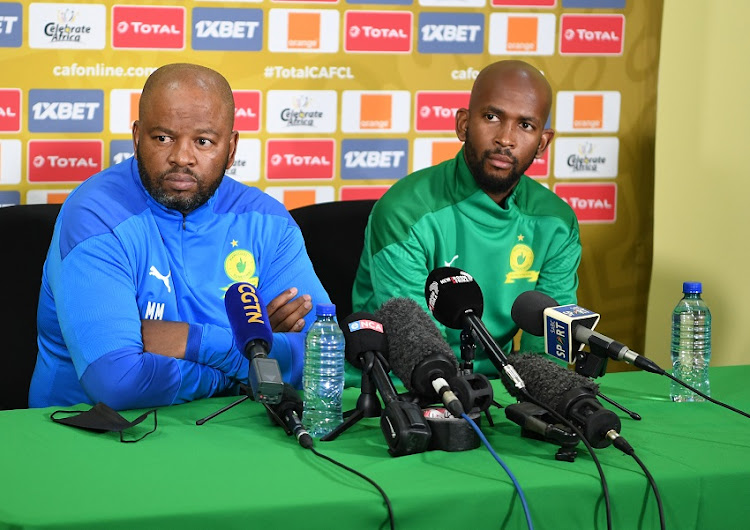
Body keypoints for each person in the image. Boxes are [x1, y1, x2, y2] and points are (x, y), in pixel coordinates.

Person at [29, 63, 330, 410]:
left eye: (203, 141)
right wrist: (248, 358)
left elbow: (321, 357)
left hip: (228, 433)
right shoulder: (95, 216)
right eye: (163, 138)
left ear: (231, 148)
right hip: (90, 434)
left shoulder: (268, 221)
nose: (181, 157)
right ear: (137, 137)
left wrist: (189, 340)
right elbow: (118, 382)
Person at [351, 60, 581, 382]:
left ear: (542, 143)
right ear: (463, 124)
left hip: (498, 387)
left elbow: (546, 354)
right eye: (492, 117)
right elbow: (416, 345)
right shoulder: (404, 211)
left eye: (525, 125)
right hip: (399, 385)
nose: (505, 139)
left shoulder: (556, 223)